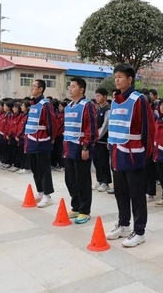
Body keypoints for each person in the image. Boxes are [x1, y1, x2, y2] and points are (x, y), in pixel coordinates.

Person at [105, 64, 155, 247]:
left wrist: (146, 156)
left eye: (120, 76)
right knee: (121, 193)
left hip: (134, 156)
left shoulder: (139, 99)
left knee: (137, 195)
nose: (117, 79)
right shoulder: (116, 100)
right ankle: (124, 224)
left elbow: (148, 129)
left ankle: (139, 231)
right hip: (117, 154)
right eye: (115, 76)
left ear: (130, 79)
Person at [63, 77, 98, 224]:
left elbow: (91, 128)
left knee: (82, 180)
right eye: (69, 86)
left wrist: (86, 147)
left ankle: (84, 210)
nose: (70, 89)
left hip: (80, 148)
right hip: (68, 148)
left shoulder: (87, 105)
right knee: (70, 179)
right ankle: (75, 206)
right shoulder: (68, 106)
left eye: (73, 86)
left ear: (81, 89)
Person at [25, 79, 56, 208]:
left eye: (34, 86)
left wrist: (51, 137)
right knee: (35, 169)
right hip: (31, 141)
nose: (31, 88)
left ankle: (47, 195)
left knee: (44, 169)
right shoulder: (32, 104)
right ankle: (40, 191)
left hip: (42, 141)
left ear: (41, 89)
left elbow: (51, 123)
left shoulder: (45, 104)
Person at [93, 88, 113, 192]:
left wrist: (97, 136)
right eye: (96, 96)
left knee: (103, 161)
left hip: (103, 140)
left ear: (105, 97)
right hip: (96, 140)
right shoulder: (98, 109)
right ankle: (99, 180)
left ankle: (106, 182)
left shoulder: (107, 109)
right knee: (96, 161)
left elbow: (105, 126)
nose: (97, 98)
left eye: (99, 96)